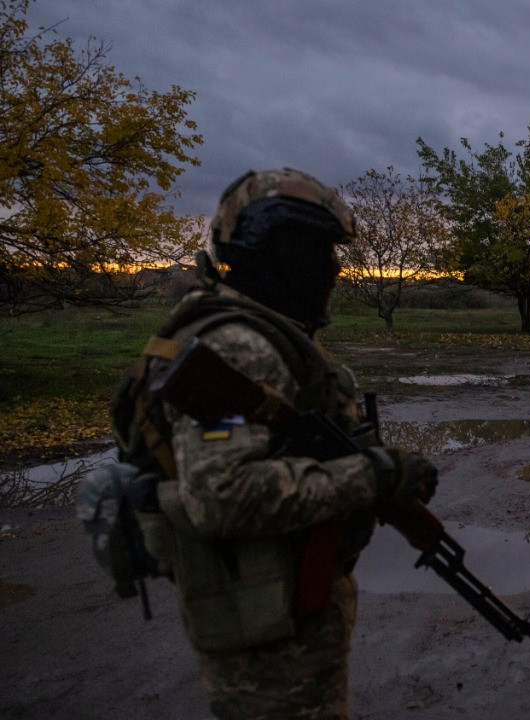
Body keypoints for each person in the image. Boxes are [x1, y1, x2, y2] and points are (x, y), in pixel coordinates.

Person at [121, 168, 436, 719]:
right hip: (267, 640)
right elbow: (223, 495)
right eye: (320, 250)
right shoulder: (240, 347)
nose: (335, 269)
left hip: (283, 609)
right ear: (276, 249)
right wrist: (375, 476)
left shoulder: (263, 335)